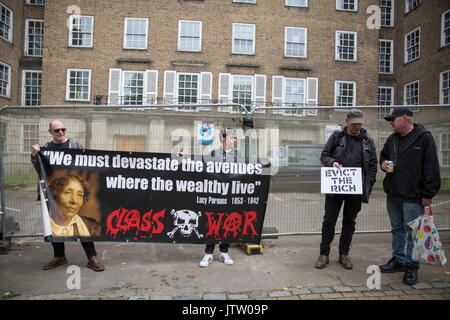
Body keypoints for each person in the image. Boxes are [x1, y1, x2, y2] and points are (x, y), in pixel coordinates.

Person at [31, 120, 105, 272]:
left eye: (63, 129)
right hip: (54, 195)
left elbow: (87, 163)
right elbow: (39, 169)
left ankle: (92, 257)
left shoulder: (74, 145)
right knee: (55, 224)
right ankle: (59, 256)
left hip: (74, 192)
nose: (61, 133)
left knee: (82, 225)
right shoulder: (46, 148)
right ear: (50, 131)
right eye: (57, 130)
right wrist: (34, 155)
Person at [379, 107, 441, 285]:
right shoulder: (392, 139)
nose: (391, 122)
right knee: (397, 229)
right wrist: (383, 163)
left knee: (412, 232)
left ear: (405, 118)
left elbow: (431, 167)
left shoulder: (424, 138)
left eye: (393, 119)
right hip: (393, 194)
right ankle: (398, 259)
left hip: (413, 197)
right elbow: (384, 155)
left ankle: (411, 266)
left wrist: (428, 193)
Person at [316, 109, 377, 270]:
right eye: (354, 123)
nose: (357, 126)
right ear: (347, 121)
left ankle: (344, 254)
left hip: (355, 189)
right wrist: (332, 163)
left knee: (349, 222)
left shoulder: (367, 141)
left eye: (359, 123)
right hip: (336, 187)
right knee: (329, 221)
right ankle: (324, 254)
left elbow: (372, 165)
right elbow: (324, 156)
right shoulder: (337, 137)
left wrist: (368, 186)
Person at [199, 127, 239, 268]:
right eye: (232, 137)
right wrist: (182, 157)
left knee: (227, 222)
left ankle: (224, 252)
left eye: (235, 138)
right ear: (224, 139)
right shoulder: (214, 154)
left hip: (230, 196)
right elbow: (199, 165)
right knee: (213, 222)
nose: (234, 140)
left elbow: (251, 167)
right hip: (215, 196)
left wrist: (266, 163)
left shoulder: (237, 155)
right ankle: (208, 253)